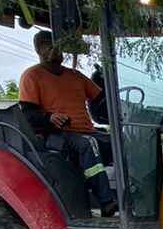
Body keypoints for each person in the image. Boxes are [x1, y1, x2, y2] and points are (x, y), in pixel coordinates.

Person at [20, 31, 118, 215]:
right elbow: (28, 114)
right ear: (38, 49)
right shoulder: (32, 76)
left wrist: (105, 79)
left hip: (87, 131)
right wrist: (49, 117)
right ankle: (106, 202)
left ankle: (128, 198)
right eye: (48, 45)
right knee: (89, 145)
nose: (55, 49)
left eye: (57, 45)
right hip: (56, 135)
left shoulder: (75, 76)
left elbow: (101, 101)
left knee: (119, 144)